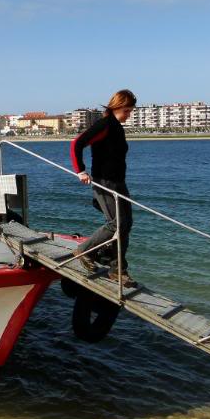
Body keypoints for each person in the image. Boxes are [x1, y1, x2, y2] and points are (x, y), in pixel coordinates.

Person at [70, 89, 138, 288]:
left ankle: (118, 269)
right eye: (127, 110)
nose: (129, 114)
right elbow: (76, 144)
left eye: (130, 111)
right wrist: (81, 171)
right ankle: (85, 251)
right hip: (104, 182)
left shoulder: (117, 127)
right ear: (117, 107)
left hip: (119, 183)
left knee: (126, 224)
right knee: (116, 224)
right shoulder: (105, 124)